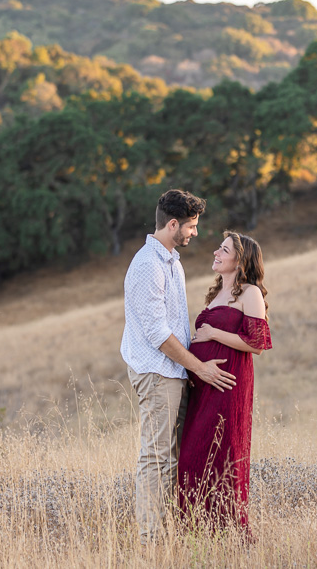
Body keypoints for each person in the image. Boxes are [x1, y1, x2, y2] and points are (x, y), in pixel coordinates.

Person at [121, 189, 237, 544]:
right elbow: (158, 334)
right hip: (157, 372)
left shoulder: (172, 261)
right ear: (172, 224)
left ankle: (170, 531)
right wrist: (199, 369)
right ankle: (151, 540)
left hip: (174, 372)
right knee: (156, 457)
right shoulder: (147, 265)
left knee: (172, 458)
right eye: (191, 226)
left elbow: (175, 325)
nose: (195, 233)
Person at [178, 231, 272, 537]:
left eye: (224, 249)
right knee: (192, 458)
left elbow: (256, 342)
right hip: (203, 387)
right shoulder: (216, 293)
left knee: (221, 455)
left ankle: (229, 534)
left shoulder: (250, 293)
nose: (216, 253)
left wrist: (213, 335)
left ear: (240, 259)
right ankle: (196, 531)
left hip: (227, 387)